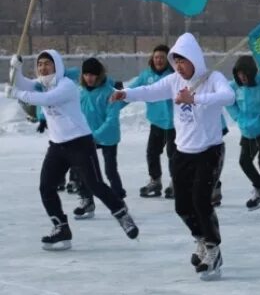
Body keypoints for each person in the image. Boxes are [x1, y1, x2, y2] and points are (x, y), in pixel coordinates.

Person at [112, 33, 234, 280]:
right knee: (182, 206)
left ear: (194, 60)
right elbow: (149, 91)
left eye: (183, 60)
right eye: (175, 61)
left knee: (201, 201)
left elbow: (228, 97)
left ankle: (213, 248)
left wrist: (195, 98)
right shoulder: (174, 81)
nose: (179, 66)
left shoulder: (212, 78)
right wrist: (126, 93)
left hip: (209, 151)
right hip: (182, 151)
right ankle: (200, 238)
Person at [5, 51, 138, 251]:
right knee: (46, 187)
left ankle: (122, 214)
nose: (43, 68)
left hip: (80, 143)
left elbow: (45, 99)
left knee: (95, 185)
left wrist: (16, 93)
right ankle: (61, 228)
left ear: (57, 66)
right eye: (40, 64)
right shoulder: (42, 84)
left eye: (47, 64)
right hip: (57, 146)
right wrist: (15, 68)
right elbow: (21, 83)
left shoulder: (66, 85)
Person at [227, 55, 260, 216]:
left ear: (252, 73)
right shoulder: (234, 87)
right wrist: (238, 118)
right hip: (248, 130)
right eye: (239, 74)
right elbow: (229, 103)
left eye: (245, 74)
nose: (242, 77)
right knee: (244, 161)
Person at [72, 58, 127, 220]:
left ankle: (118, 199)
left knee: (110, 169)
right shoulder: (80, 93)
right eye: (87, 74)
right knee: (83, 169)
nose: (89, 78)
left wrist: (96, 136)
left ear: (99, 75)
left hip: (107, 136)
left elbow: (111, 119)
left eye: (93, 75)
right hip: (86, 137)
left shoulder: (109, 93)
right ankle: (87, 200)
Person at [128, 44, 177, 198]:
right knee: (152, 152)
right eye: (156, 57)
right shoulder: (146, 75)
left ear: (168, 60)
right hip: (156, 122)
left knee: (173, 154)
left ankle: (176, 182)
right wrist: (119, 96)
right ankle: (155, 181)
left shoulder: (174, 75)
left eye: (162, 57)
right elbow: (132, 90)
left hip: (173, 123)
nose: (159, 60)